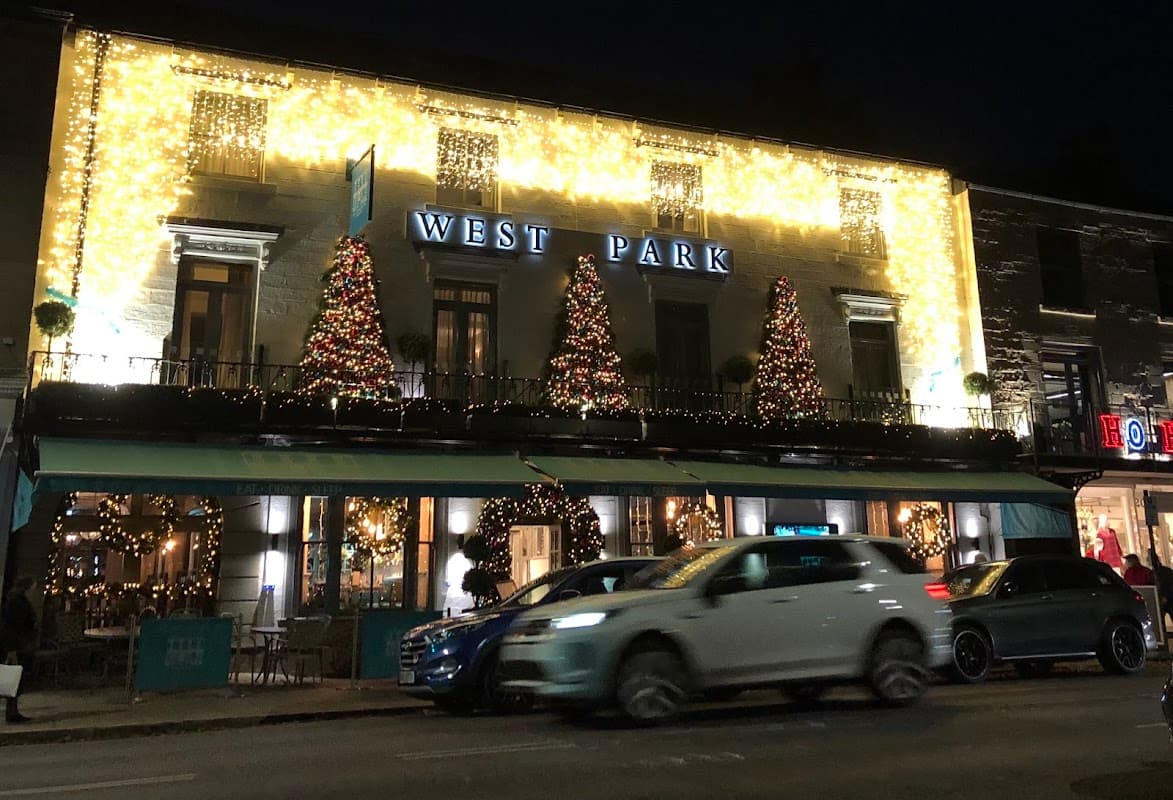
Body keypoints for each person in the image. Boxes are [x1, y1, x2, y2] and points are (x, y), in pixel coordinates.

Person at [0, 577, 38, 724]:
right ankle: (12, 712)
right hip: (18, 645)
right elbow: (12, 626)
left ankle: (13, 711)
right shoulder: (17, 602)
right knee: (16, 677)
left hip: (19, 644)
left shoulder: (15, 600)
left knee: (17, 678)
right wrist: (11, 649)